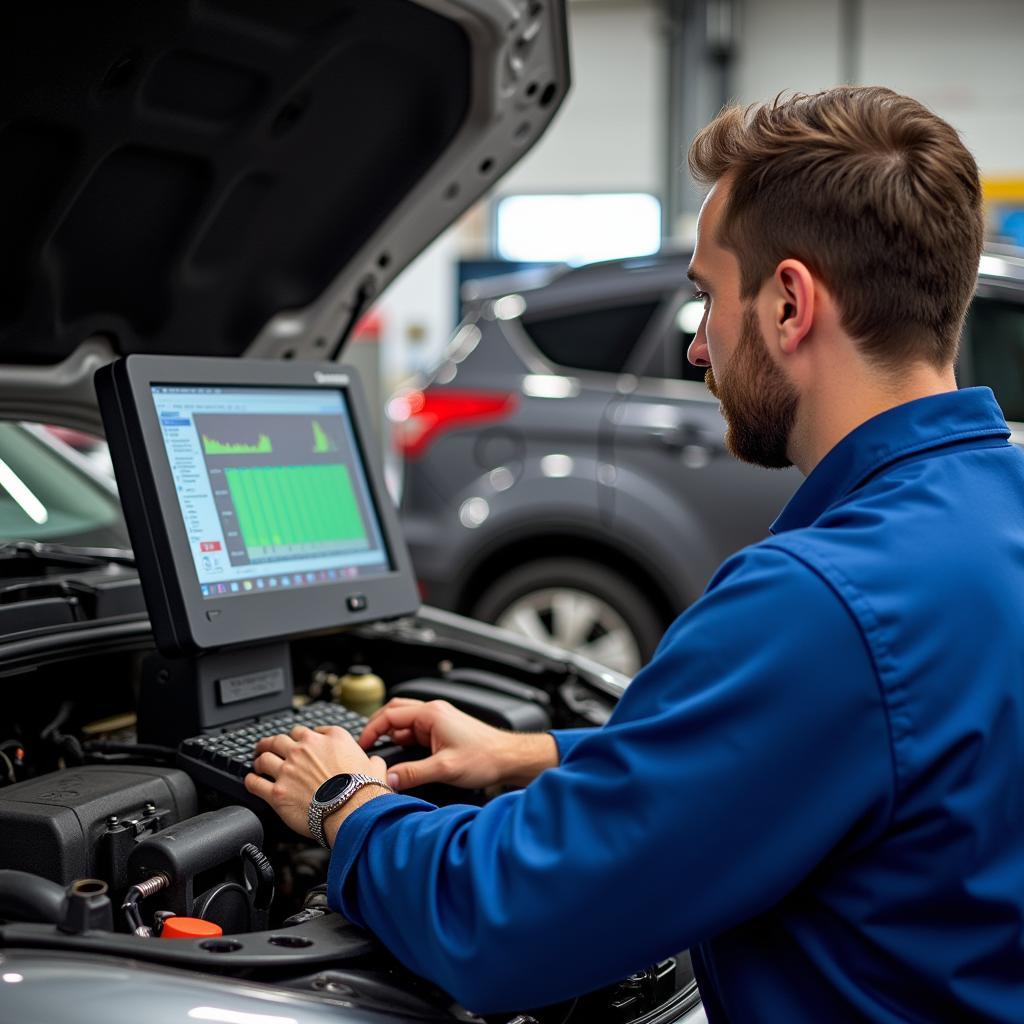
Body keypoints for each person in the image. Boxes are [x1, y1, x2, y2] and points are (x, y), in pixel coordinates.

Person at [245, 86, 1024, 1021]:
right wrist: (532, 754)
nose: (699, 350)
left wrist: (347, 802)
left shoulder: (825, 603)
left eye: (706, 299)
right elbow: (836, 755)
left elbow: (501, 924)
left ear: (788, 303)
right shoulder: (992, 517)